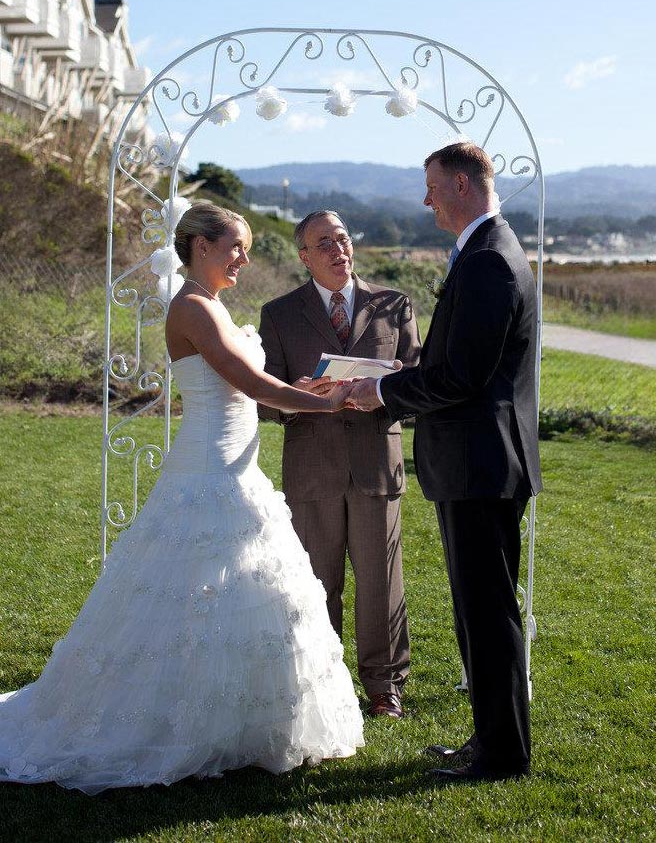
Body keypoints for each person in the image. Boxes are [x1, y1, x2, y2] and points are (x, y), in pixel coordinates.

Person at [0, 201, 364, 794]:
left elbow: (248, 388)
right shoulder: (191, 307)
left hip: (238, 469)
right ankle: (176, 725)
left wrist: (301, 387)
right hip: (208, 472)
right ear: (201, 246)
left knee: (249, 593)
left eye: (246, 249)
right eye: (236, 247)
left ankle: (243, 725)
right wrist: (325, 403)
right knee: (196, 591)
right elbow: (248, 382)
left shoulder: (212, 305)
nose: (243, 259)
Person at [347, 143, 543, 781]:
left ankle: (502, 754)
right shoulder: (486, 250)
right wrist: (399, 376)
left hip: (480, 463)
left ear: (461, 185)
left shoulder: (487, 260)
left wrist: (382, 390)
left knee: (487, 613)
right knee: (479, 611)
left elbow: (463, 376)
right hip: (478, 461)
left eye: (431, 186)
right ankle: (491, 741)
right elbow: (459, 364)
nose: (425, 199)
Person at [258, 210, 421, 719]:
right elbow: (264, 398)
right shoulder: (279, 314)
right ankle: (320, 683)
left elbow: (419, 383)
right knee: (316, 582)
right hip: (312, 469)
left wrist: (386, 392)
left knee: (381, 583)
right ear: (304, 257)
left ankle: (384, 686)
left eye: (343, 238)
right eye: (324, 242)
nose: (338, 249)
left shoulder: (393, 305)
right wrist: (298, 394)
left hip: (376, 465)